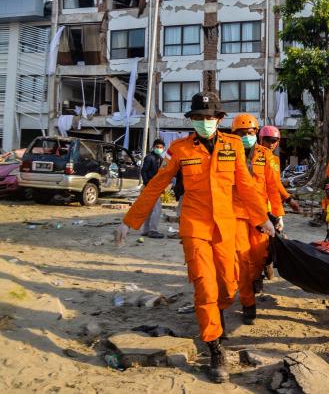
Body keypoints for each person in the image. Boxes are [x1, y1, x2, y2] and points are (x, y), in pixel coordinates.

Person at [115, 93, 275, 384]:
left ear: (219, 119)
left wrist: (262, 218)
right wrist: (130, 220)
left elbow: (246, 186)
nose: (204, 122)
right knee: (204, 285)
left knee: (228, 284)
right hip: (195, 225)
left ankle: (218, 314)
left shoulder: (233, 146)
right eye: (199, 118)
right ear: (192, 120)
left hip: (226, 225)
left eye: (209, 117)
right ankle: (214, 348)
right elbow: (157, 184)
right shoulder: (180, 149)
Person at [231, 114, 284, 325]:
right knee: (242, 260)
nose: (247, 136)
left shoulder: (266, 156)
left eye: (250, 132)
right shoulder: (226, 154)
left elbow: (273, 187)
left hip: (261, 215)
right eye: (242, 133)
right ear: (234, 134)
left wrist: (278, 214)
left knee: (260, 256)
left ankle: (255, 279)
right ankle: (248, 303)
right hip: (236, 214)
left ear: (256, 133)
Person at [258, 126, 301, 213]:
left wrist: (288, 199)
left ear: (278, 142)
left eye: (274, 141)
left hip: (270, 202)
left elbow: (276, 182)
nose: (271, 144)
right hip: (256, 199)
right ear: (261, 139)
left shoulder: (275, 159)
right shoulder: (253, 156)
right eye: (267, 140)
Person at [140, 139, 166, 239]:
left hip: (155, 186)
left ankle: (145, 230)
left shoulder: (160, 158)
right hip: (151, 187)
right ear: (153, 147)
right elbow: (143, 171)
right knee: (157, 209)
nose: (159, 149)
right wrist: (147, 184)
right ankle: (153, 230)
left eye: (161, 147)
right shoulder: (150, 157)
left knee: (150, 209)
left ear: (163, 149)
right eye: (157, 147)